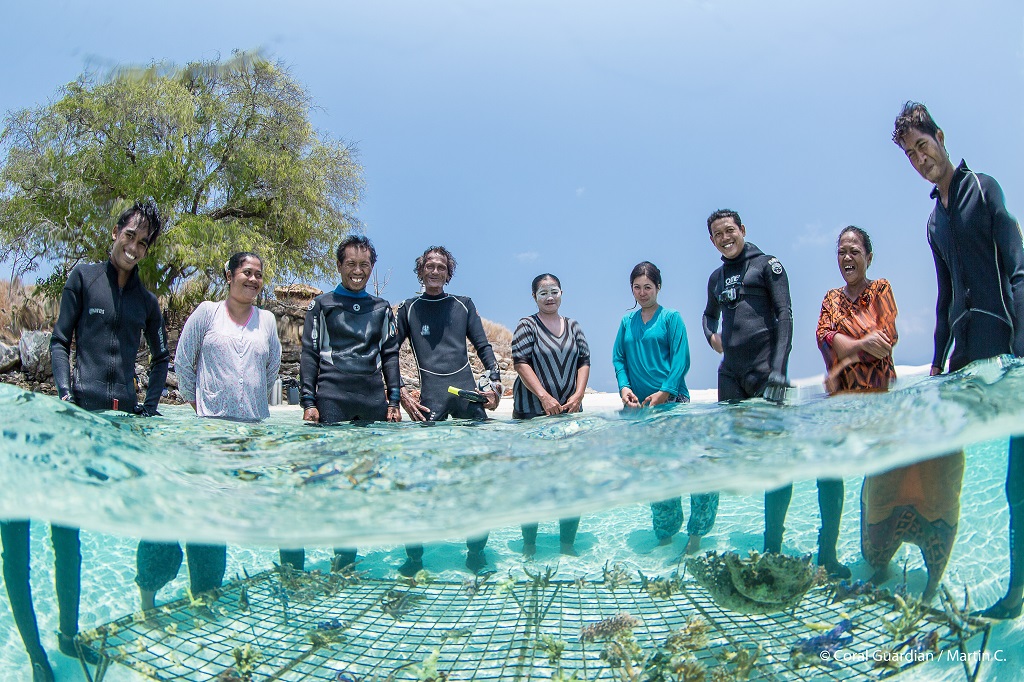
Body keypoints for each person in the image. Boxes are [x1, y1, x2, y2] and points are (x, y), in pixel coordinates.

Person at [0, 201, 168, 681]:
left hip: (120, 425)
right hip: (76, 419)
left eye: (142, 242)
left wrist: (149, 407)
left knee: (68, 534)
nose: (133, 247)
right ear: (115, 231)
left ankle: (68, 636)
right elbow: (59, 341)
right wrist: (66, 395)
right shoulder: (83, 278)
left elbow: (160, 359)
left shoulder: (146, 302)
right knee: (47, 531)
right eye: (129, 235)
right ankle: (35, 654)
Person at [893, 102, 1024, 617]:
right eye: (910, 155)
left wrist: (1021, 349)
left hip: (1009, 354)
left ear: (941, 137)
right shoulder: (933, 223)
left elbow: (1016, 267)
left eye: (923, 147)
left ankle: (1014, 593)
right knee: (947, 456)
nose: (920, 159)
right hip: (969, 361)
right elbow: (946, 295)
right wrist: (937, 364)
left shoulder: (984, 189)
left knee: (1018, 482)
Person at [702, 209, 849, 578]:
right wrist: (711, 335)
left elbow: (785, 315)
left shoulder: (768, 265)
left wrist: (780, 370)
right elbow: (708, 315)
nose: (725, 238)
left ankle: (788, 548)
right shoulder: (716, 277)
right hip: (730, 378)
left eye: (730, 230)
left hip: (768, 374)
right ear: (712, 240)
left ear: (742, 230)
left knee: (782, 460)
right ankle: (762, 545)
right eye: (717, 234)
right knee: (744, 460)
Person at [817, 226, 960, 600]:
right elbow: (824, 339)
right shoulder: (831, 297)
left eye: (854, 251)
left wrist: (849, 343)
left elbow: (885, 339)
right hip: (844, 407)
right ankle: (868, 555)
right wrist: (855, 342)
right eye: (841, 251)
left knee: (897, 462)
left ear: (868, 256)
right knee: (865, 479)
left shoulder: (881, 289)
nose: (846, 258)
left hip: (881, 402)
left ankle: (927, 544)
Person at [135, 252, 281, 611]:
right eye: (246, 272)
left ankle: (204, 595)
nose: (253, 279)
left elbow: (271, 369)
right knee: (184, 509)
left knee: (216, 520)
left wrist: (251, 411)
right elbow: (183, 362)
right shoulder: (206, 312)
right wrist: (200, 407)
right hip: (207, 436)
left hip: (250, 441)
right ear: (229, 275)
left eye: (258, 274)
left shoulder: (268, 321)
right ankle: (149, 593)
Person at [286, 235, 401, 571]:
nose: (357, 270)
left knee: (359, 484)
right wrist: (308, 400)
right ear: (338, 266)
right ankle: (298, 556)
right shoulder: (322, 305)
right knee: (322, 478)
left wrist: (393, 400)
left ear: (372, 268)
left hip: (371, 400)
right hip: (331, 397)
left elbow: (390, 354)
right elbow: (309, 353)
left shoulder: (381, 308)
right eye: (350, 263)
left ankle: (344, 561)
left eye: (364, 265)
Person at [395, 246, 502, 575]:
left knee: (475, 484)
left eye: (442, 267)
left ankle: (476, 552)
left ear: (448, 272)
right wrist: (400, 392)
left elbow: (483, 347)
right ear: (421, 270)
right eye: (430, 266)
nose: (436, 271)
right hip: (430, 406)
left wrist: (494, 384)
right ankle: (414, 558)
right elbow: (388, 352)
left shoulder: (462, 305)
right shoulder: (409, 309)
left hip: (467, 402)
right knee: (419, 485)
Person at [613, 262, 716, 554]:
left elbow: (681, 359)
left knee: (696, 472)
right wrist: (624, 388)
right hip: (643, 414)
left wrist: (665, 392)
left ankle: (696, 536)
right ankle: (665, 536)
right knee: (659, 476)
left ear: (658, 287)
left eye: (648, 287)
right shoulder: (626, 322)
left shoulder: (672, 319)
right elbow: (619, 358)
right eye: (637, 287)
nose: (642, 293)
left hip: (675, 406)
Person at [512, 274, 591, 557]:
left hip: (570, 417)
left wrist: (579, 395)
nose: (549, 297)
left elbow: (584, 360)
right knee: (532, 485)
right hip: (532, 415)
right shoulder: (527, 325)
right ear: (534, 297)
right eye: (543, 292)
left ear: (562, 293)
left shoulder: (574, 326)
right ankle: (529, 545)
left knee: (571, 483)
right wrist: (544, 397)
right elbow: (520, 362)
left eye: (554, 291)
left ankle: (567, 545)